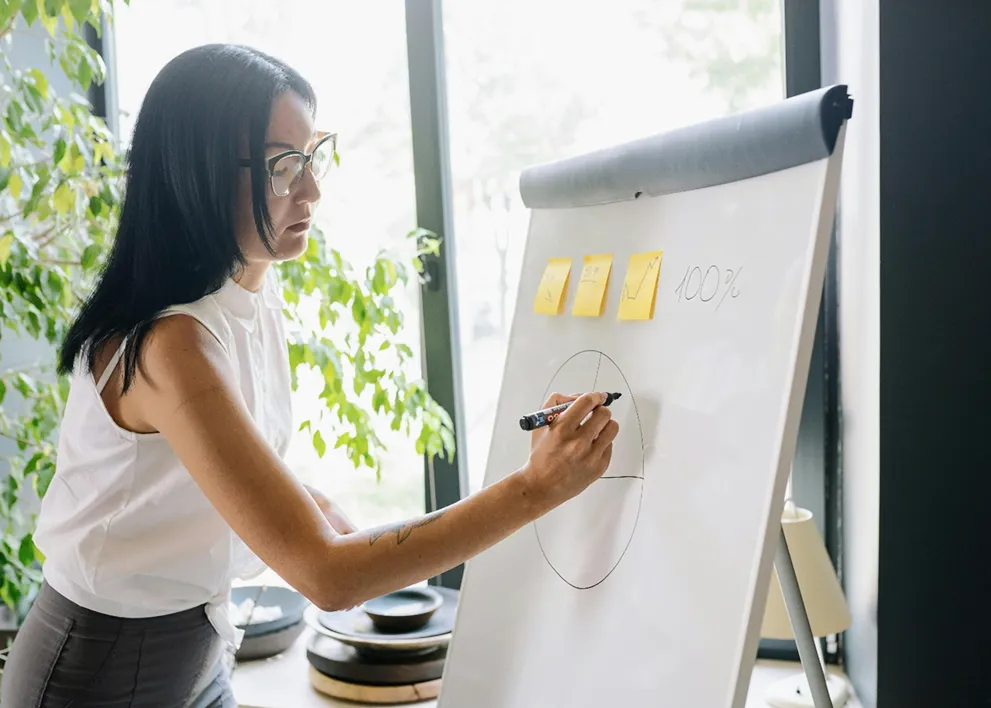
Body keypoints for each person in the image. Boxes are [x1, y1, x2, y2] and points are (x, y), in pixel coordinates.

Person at [0, 44, 619, 707]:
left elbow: (202, 468)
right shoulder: (171, 344)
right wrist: (534, 488)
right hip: (96, 674)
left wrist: (307, 505)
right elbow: (327, 577)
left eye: (311, 156)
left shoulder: (250, 291)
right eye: (282, 166)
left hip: (198, 650)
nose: (311, 190)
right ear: (198, 173)